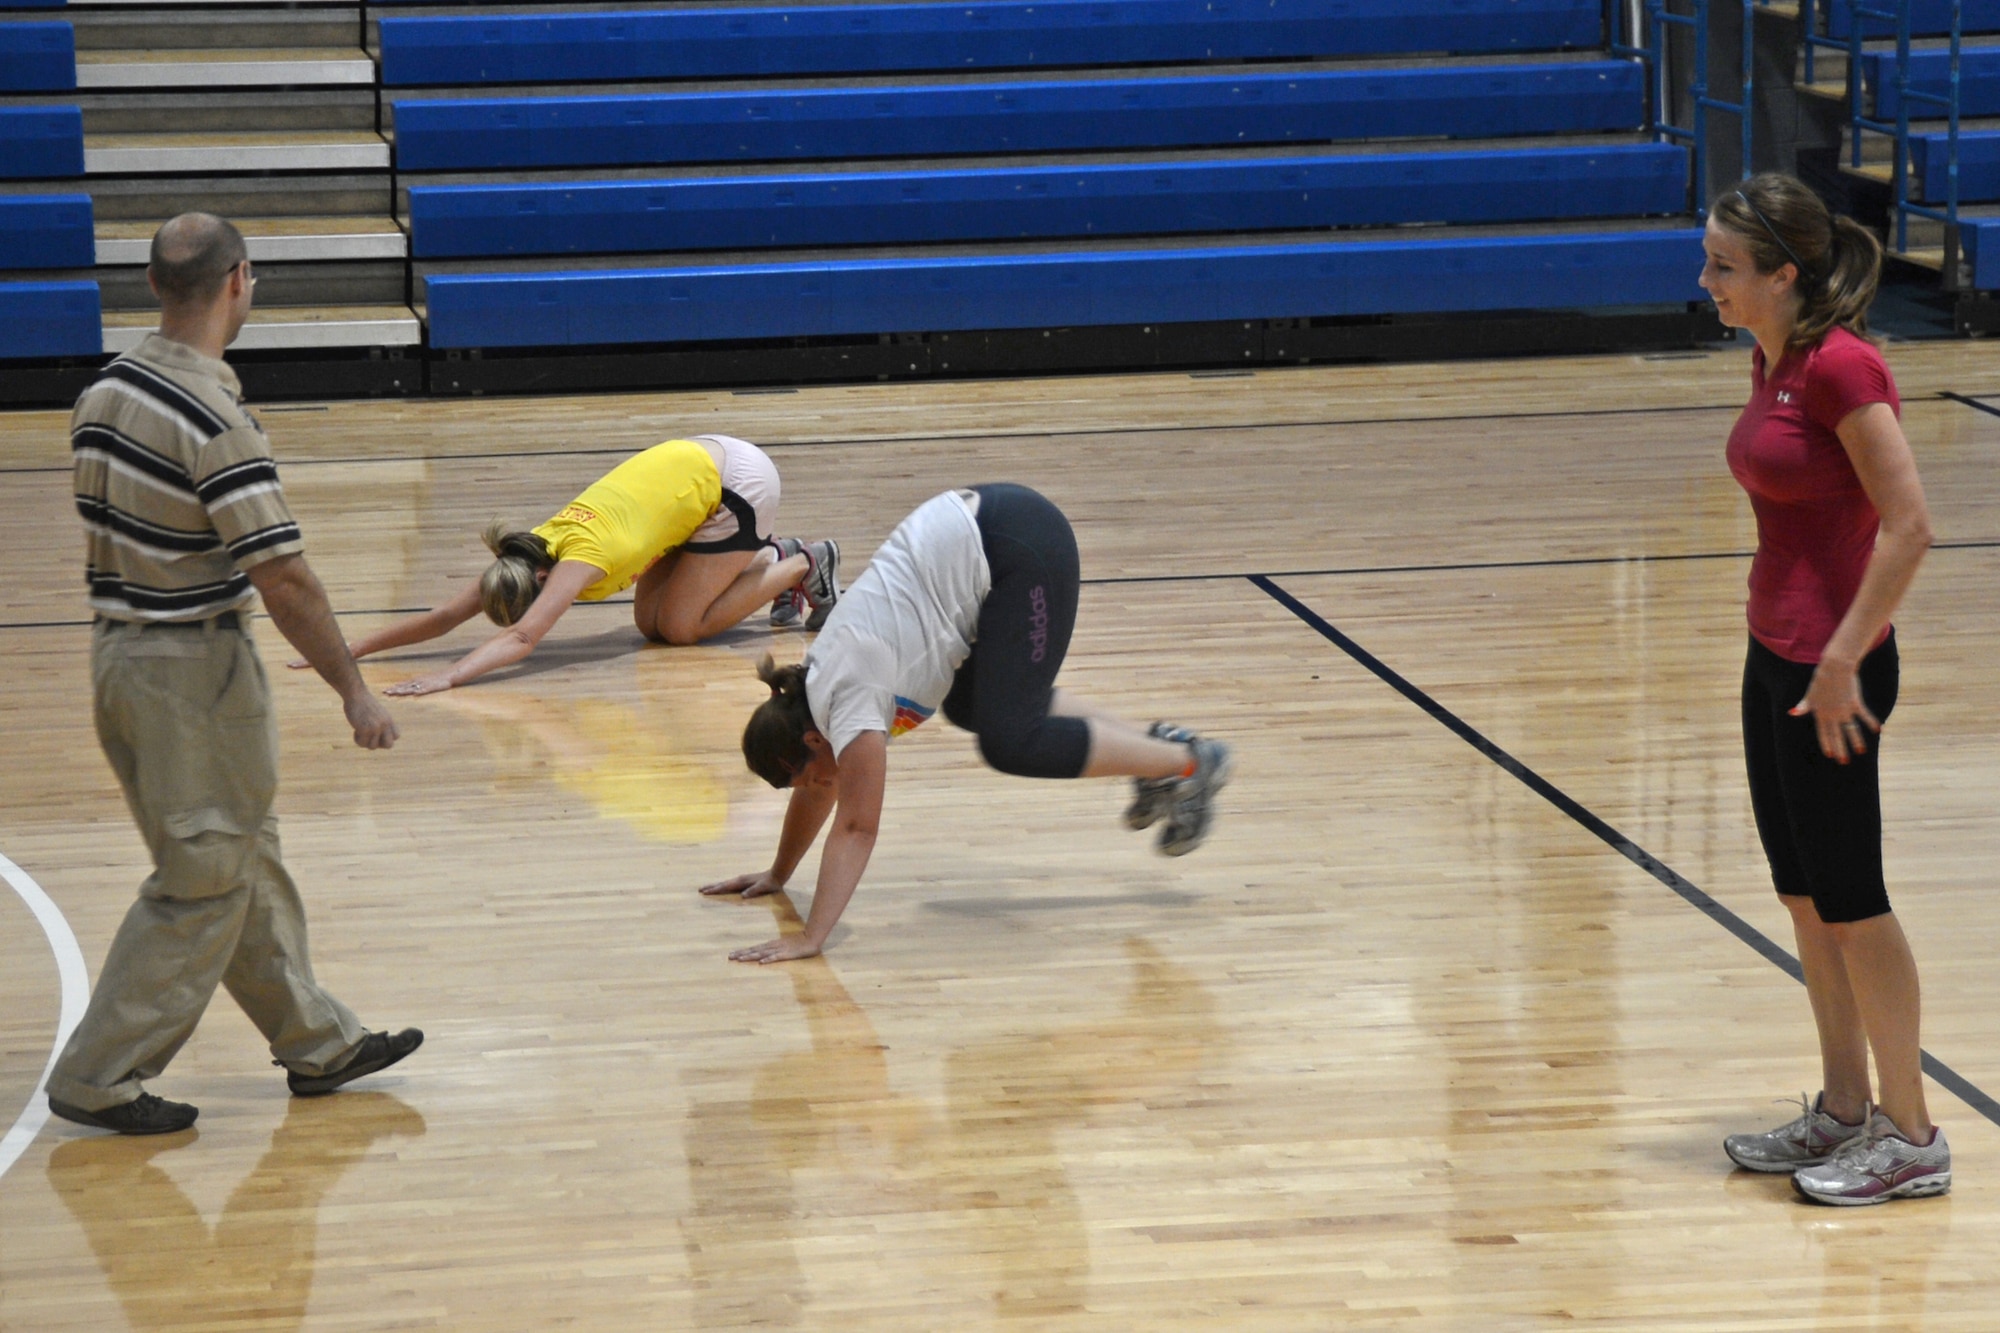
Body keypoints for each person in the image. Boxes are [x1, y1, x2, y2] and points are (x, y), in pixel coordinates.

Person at [50, 213, 422, 1137]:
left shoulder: (105, 391)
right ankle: (100, 1071)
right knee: (204, 875)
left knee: (239, 852)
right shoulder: (217, 420)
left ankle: (317, 1040)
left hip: (120, 661)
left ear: (151, 286)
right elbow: (284, 575)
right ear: (238, 282)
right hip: (193, 674)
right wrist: (355, 690)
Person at [698, 483, 1232, 963]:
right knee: (975, 706)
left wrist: (811, 938)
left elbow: (858, 826)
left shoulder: (850, 696)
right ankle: (1157, 749)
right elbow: (817, 791)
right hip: (991, 537)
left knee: (1009, 740)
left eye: (811, 774)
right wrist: (779, 874)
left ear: (813, 740)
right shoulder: (813, 705)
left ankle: (1189, 765)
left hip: (1018, 547)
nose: (820, 788)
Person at [1699, 174, 1947, 1204]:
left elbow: (1909, 523)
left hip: (1832, 671)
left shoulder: (1844, 369)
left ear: (1780, 274)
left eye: (1722, 265)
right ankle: (1842, 1106)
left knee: (1853, 900)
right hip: (1775, 654)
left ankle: (1912, 1134)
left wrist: (1844, 656)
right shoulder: (1774, 361)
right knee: (1801, 895)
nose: (1704, 280)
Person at [328, 437, 841, 696]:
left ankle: (800, 562)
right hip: (694, 473)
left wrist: (449, 676)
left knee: (682, 628)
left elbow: (524, 640)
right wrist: (349, 650)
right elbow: (444, 616)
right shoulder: (524, 556)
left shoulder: (578, 560)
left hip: (738, 487)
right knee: (650, 627)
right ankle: (764, 558)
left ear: (545, 581)